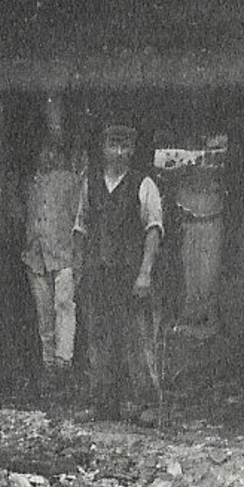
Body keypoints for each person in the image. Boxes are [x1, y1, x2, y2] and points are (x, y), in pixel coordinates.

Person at [74, 122, 163, 422]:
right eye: (113, 145)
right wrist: (78, 269)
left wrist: (145, 273)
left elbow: (153, 230)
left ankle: (147, 403)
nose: (119, 151)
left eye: (125, 146)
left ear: (132, 150)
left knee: (137, 339)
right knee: (100, 340)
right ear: (103, 148)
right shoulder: (91, 184)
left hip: (129, 273)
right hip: (99, 273)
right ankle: (104, 403)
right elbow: (81, 227)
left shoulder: (144, 184)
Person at [21, 130, 82, 386]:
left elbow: (79, 216)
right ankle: (48, 364)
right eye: (43, 152)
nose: (47, 157)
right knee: (44, 311)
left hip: (64, 253)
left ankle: (63, 362)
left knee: (64, 306)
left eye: (53, 152)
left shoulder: (71, 181)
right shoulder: (30, 183)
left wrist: (78, 254)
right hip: (36, 255)